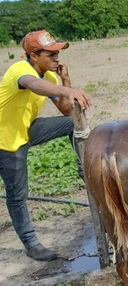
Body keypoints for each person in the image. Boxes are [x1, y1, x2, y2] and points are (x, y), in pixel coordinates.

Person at [0, 30, 92, 261]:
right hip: (5, 141)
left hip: (25, 131)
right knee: (17, 195)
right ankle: (31, 243)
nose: (56, 58)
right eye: (50, 54)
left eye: (57, 53)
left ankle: (86, 171)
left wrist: (66, 81)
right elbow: (32, 84)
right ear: (33, 56)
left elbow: (65, 110)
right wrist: (66, 90)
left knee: (73, 123)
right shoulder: (20, 70)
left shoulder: (49, 77)